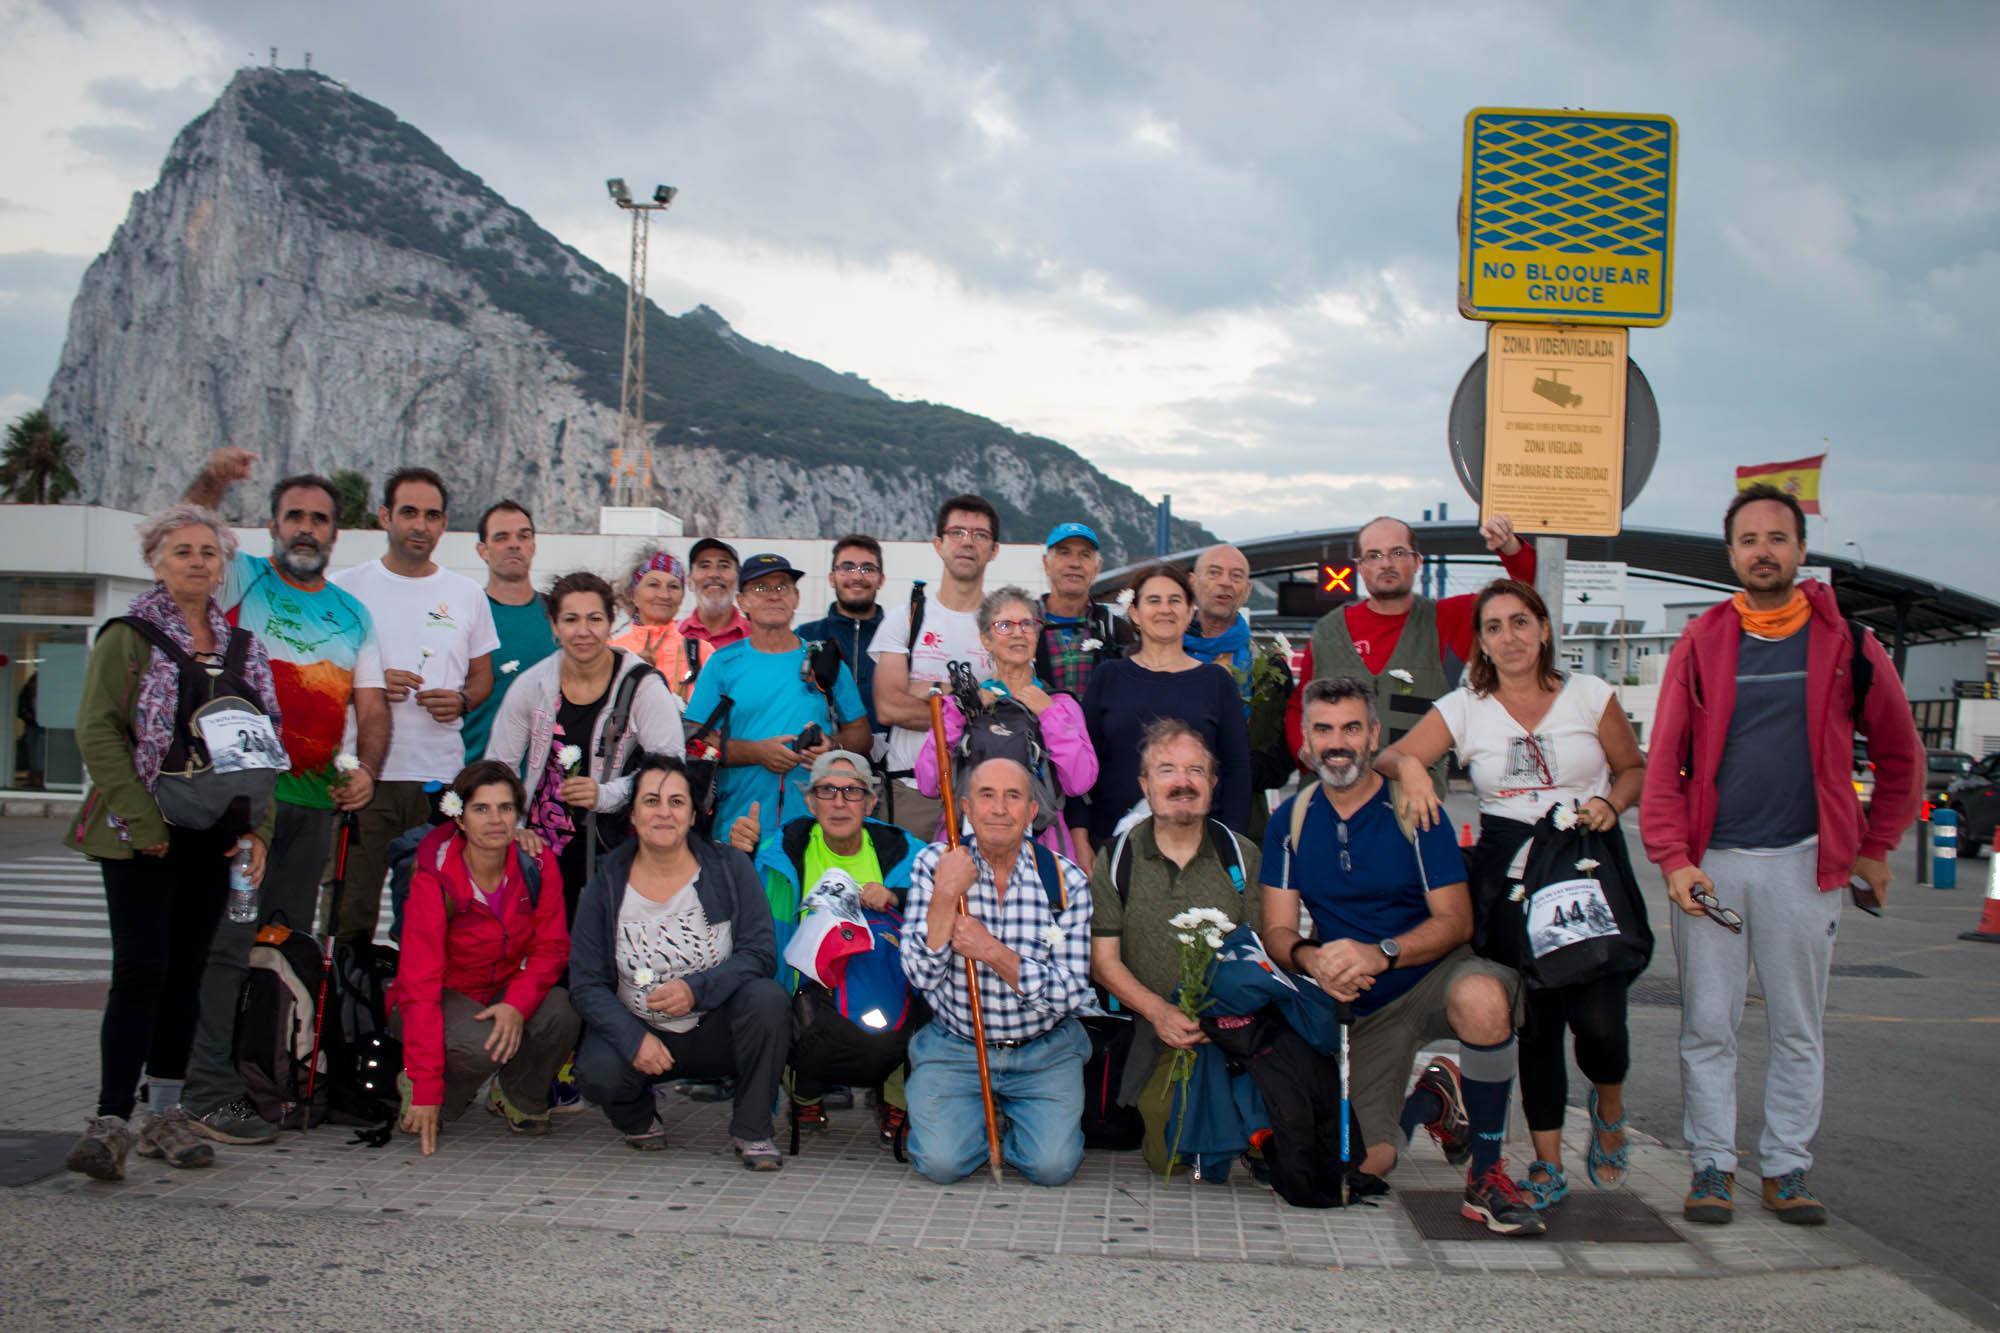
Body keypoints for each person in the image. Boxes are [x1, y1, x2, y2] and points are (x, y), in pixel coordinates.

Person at [1642, 483, 1922, 1228]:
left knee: (1799, 1024)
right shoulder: (1700, 642)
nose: (1762, 551)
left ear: (1801, 550)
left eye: (1776, 538)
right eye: (1747, 540)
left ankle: (1788, 1165)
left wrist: (1876, 847)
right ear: (1730, 554)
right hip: (1714, 867)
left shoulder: (1849, 644)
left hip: (1805, 863)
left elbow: (1901, 753)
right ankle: (1712, 1164)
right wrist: (1674, 859)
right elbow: (1665, 762)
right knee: (1708, 1022)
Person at [1375, 578, 1646, 1210]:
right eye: (1493, 627)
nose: (1509, 637)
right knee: (1539, 1024)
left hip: (1582, 863)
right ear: (1481, 643)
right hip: (1512, 876)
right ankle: (1548, 1166)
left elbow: (1632, 767)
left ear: (1544, 629)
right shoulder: (1465, 705)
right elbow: (1390, 755)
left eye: (1520, 622)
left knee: (1601, 1022)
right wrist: (1414, 765)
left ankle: (1609, 1108)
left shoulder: (1589, 696)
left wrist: (1612, 800)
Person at [1259, 677, 1544, 1236]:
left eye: (1350, 728)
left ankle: (1487, 1177)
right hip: (1365, 1006)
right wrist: (1312, 960)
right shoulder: (1289, 821)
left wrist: (1381, 952)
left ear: (1373, 736)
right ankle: (1433, 1103)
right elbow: (1276, 930)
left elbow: (1455, 921)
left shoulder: (1413, 807)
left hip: (1433, 973)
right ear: (1307, 742)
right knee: (1366, 1167)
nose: (1336, 742)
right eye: (1323, 730)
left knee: (1483, 998)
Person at [174, 451, 390, 1146]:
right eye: (294, 515)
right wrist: (215, 479)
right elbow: (192, 521)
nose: (306, 528)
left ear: (336, 533)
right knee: (228, 944)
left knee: (282, 948)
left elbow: (372, 708)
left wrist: (366, 770)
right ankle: (206, 1089)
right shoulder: (242, 578)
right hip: (244, 809)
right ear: (272, 524)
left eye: (319, 519)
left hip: (314, 810)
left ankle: (263, 1073)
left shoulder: (352, 613)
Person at [62, 504, 283, 1181]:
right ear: (157, 561)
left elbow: (262, 747)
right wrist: (143, 820)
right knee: (140, 969)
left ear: (223, 566)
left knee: (187, 971)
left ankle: (164, 1112)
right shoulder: (127, 638)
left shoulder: (245, 649)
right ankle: (108, 1120)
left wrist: (259, 831)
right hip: (141, 835)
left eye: (209, 552)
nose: (197, 561)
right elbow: (97, 731)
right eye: (182, 550)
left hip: (212, 836)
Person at [568, 753, 791, 1169]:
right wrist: (632, 1039)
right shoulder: (605, 884)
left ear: (693, 815)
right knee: (596, 1072)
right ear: (632, 814)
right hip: (642, 1029)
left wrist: (696, 989)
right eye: (651, 801)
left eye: (676, 802)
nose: (664, 813)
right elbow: (585, 984)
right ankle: (636, 1117)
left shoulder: (729, 868)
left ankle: (753, 1129)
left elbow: (759, 954)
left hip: (715, 1026)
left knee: (769, 1000)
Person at [900, 758, 1095, 1186]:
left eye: (1013, 797)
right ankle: (975, 1115)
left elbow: (1068, 994)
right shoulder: (936, 864)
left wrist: (990, 951)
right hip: (957, 1045)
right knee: (941, 1165)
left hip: (1045, 1048)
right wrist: (945, 895)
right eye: (987, 796)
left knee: (1052, 1168)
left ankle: (1014, 1120)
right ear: (966, 807)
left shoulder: (1067, 882)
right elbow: (919, 975)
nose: (1000, 809)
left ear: (1032, 811)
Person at [329, 468, 498, 944]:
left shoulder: (465, 594)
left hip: (437, 780)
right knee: (349, 913)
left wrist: (462, 699)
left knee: (430, 917)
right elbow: (321, 680)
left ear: (445, 525)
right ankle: (344, 1014)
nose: (420, 525)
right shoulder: (345, 589)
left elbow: (482, 677)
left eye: (431, 515)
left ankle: (415, 1017)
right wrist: (368, 683)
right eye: (409, 513)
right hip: (364, 778)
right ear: (385, 516)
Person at [1087, 718, 1261, 1156]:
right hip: (1156, 1028)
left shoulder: (1242, 856)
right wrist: (1161, 1013)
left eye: (1195, 771)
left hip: (1232, 1030)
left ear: (1213, 783)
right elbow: (1103, 962)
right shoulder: (1115, 858)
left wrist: (1226, 1019)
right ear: (1145, 785)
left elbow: (1265, 955)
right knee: (1170, 1154)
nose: (1182, 782)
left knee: (1265, 1136)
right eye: (1167, 770)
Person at [726, 749, 921, 1136]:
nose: (839, 802)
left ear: (871, 800)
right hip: (803, 995)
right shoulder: (777, 853)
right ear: (810, 801)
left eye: (852, 791)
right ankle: (803, 1093)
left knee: (924, 993)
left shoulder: (908, 854)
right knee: (767, 997)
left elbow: (938, 901)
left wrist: (896, 894)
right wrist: (740, 859)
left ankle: (895, 1096)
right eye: (827, 790)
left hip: (880, 988)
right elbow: (733, 917)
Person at [389, 760, 579, 1154]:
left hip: (499, 991)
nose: (495, 820)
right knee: (481, 1045)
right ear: (459, 818)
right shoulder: (433, 877)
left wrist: (516, 1004)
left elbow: (552, 949)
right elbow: (418, 985)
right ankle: (428, 1088)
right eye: (481, 809)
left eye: (505, 808)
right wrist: (426, 1086)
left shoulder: (538, 864)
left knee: (563, 1009)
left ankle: (517, 1097)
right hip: (438, 998)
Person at [485, 571, 686, 924]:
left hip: (616, 845)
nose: (583, 631)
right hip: (543, 848)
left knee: (603, 948)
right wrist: (515, 825)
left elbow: (670, 770)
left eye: (594, 619)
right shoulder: (533, 685)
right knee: (548, 948)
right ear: (554, 626)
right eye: (570, 619)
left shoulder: (642, 686)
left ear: (611, 624)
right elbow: (498, 766)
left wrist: (604, 795)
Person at [1285, 515, 1536, 795]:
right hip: (1329, 801)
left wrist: (1510, 548)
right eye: (1374, 555)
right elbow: (1299, 707)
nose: (1386, 563)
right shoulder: (1327, 630)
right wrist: (1304, 750)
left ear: (1418, 562)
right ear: (1361, 567)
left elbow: (1523, 595)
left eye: (1398, 553)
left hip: (1413, 805)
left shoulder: (1447, 620)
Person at [683, 554, 871, 844]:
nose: (773, 596)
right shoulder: (723, 664)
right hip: (739, 828)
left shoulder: (825, 661)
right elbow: (693, 744)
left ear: (796, 598)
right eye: (760, 588)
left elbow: (861, 734)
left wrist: (832, 748)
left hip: (818, 832)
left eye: (782, 587)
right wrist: (756, 753)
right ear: (742, 602)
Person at [913, 586, 1099, 860]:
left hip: (1041, 849)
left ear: (1037, 635)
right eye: (1004, 625)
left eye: (1027, 624)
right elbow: (929, 783)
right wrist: (958, 714)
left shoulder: (1059, 705)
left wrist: (1049, 715)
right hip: (966, 847)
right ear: (985, 640)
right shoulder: (960, 705)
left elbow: (1080, 782)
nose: (1017, 632)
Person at [1081, 563, 1249, 842]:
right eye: (1153, 600)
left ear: (1189, 610)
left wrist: (1231, 842)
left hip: (1201, 845)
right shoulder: (1107, 677)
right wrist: (1081, 839)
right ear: (1134, 612)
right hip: (1114, 845)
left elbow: (1236, 770)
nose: (1164, 609)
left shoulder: (1216, 682)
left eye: (1175, 600)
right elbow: (1084, 767)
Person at [871, 495, 1000, 837]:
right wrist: (971, 701)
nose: (968, 541)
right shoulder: (906, 619)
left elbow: (1004, 712)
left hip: (983, 796)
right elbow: (887, 707)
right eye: (957, 532)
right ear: (939, 544)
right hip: (912, 792)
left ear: (994, 550)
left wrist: (926, 693)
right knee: (905, 891)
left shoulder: (1002, 624)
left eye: (980, 534)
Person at [1035, 522, 1135, 862]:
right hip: (1040, 782)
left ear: (1098, 566)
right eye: (1063, 553)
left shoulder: (1118, 631)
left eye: (1084, 555)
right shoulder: (1023, 624)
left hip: (1103, 786)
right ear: (1047, 564)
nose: (1074, 563)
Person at [1185, 542, 1294, 840]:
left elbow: (1281, 762)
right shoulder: (1159, 657)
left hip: (1242, 826)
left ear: (1246, 590)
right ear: (1193, 583)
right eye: (1214, 573)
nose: (1224, 583)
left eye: (1235, 576)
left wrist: (1229, 767)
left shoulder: (1270, 669)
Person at [460, 501, 557, 761]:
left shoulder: (560, 616)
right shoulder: (462, 615)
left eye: (523, 536)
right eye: (501, 537)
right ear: (483, 550)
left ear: (533, 547)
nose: (514, 544)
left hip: (548, 787)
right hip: (477, 779)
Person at [797, 534, 888, 749]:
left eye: (867, 569)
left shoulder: (900, 637)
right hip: (820, 761)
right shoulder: (805, 636)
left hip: (890, 767)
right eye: (847, 567)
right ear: (832, 577)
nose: (857, 577)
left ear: (881, 579)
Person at [609, 546, 700, 700]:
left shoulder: (700, 653)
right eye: (653, 585)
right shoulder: (612, 652)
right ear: (633, 595)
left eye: (673, 587)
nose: (664, 595)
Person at [678, 538, 752, 653]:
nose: (714, 574)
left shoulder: (758, 638)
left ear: (738, 580)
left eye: (723, 566)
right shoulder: (671, 634)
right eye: (704, 566)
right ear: (689, 581)